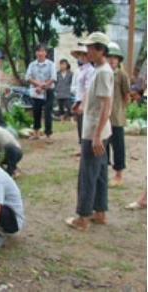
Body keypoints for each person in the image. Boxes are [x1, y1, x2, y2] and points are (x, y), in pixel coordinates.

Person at [65, 32, 114, 231]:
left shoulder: (103, 72)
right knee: (100, 173)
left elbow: (106, 106)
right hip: (101, 131)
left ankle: (83, 218)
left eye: (90, 48)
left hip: (95, 132)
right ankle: (100, 212)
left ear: (100, 49)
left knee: (87, 175)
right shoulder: (101, 69)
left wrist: (96, 136)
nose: (87, 52)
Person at [106, 42, 130, 187]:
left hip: (116, 117)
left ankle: (119, 174)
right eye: (109, 57)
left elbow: (126, 95)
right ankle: (104, 170)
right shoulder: (102, 72)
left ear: (119, 60)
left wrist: (119, 109)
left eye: (115, 58)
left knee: (118, 146)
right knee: (104, 145)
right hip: (104, 117)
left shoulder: (122, 75)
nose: (112, 60)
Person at [25, 44, 57, 142]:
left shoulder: (51, 64)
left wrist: (42, 86)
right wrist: (38, 85)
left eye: (42, 51)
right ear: (36, 53)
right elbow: (28, 77)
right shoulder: (32, 64)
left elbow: (53, 78)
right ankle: (36, 133)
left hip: (48, 91)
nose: (40, 53)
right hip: (36, 92)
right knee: (36, 112)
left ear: (46, 53)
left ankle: (48, 135)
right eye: (38, 51)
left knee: (47, 112)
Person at [70, 45, 95, 154]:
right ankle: (82, 147)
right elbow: (80, 89)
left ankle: (86, 148)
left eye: (84, 54)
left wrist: (82, 104)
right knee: (80, 125)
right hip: (80, 99)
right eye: (80, 55)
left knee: (85, 125)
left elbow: (88, 88)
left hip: (86, 101)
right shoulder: (81, 69)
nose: (82, 57)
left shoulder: (90, 70)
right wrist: (76, 102)